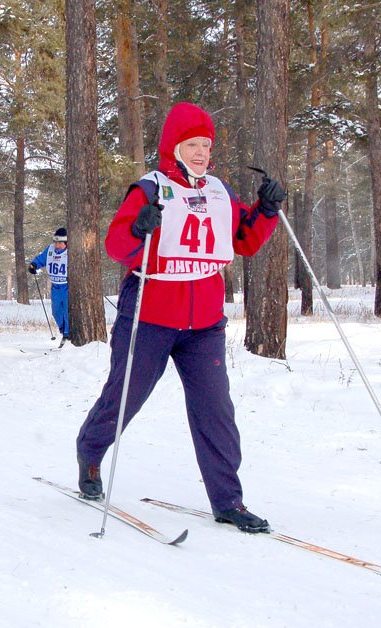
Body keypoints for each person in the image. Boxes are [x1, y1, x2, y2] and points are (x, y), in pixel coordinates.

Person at [75, 102, 287, 533]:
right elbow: (117, 246)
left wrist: (265, 211)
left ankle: (228, 500)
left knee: (216, 411)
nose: (200, 152)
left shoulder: (219, 191)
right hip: (150, 316)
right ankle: (90, 452)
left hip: (204, 323)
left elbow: (243, 240)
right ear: (174, 146)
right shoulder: (151, 188)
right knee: (125, 398)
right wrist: (139, 229)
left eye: (206, 144)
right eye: (191, 144)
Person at [29, 227, 69, 345]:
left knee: (68, 312)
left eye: (59, 243)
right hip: (55, 287)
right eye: (55, 242)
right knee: (56, 312)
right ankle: (63, 331)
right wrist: (34, 265)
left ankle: (67, 335)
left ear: (65, 243)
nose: (57, 245)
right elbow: (41, 258)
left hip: (67, 287)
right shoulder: (50, 249)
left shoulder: (70, 252)